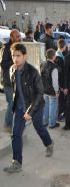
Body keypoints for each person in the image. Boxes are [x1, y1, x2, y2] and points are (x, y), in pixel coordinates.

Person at [3, 43, 53, 173]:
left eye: (18, 55)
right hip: (20, 107)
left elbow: (39, 93)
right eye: (13, 55)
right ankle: (17, 162)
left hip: (35, 106)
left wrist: (30, 111)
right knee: (16, 135)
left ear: (25, 56)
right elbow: (16, 91)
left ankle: (49, 144)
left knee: (39, 128)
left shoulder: (33, 72)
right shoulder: (12, 70)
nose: (15, 58)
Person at [0, 29, 21, 132]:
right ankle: (7, 125)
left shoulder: (18, 47)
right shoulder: (7, 48)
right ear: (12, 37)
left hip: (16, 79)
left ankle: (13, 123)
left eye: (19, 36)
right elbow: (3, 64)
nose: (19, 38)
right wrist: (14, 62)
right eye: (17, 36)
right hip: (8, 80)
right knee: (11, 103)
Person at [40, 49, 60, 128]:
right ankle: (52, 123)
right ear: (54, 57)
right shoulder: (54, 67)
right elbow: (55, 82)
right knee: (53, 106)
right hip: (52, 91)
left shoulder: (42, 64)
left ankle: (44, 122)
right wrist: (57, 91)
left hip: (44, 89)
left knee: (46, 106)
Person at [55, 40, 66, 121]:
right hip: (60, 82)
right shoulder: (60, 58)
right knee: (60, 100)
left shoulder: (56, 54)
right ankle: (59, 116)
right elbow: (60, 73)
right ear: (64, 46)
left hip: (57, 81)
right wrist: (62, 85)